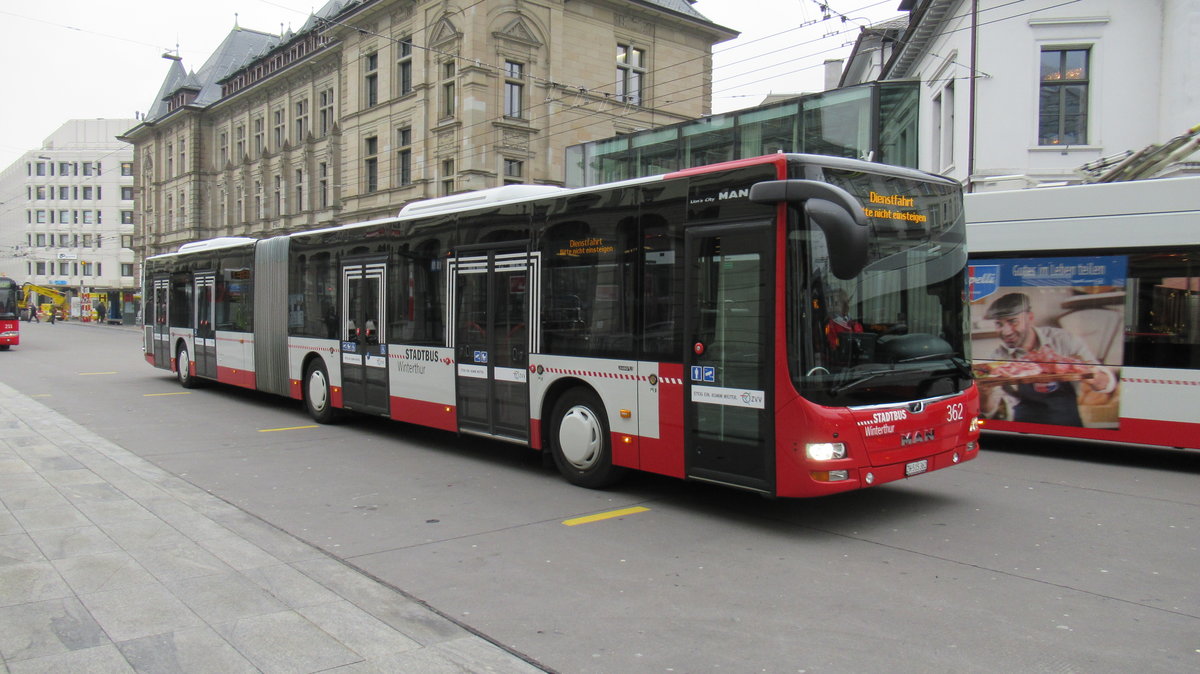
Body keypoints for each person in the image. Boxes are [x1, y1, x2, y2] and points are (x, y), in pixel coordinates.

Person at [980, 292, 1114, 426]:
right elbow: (989, 411)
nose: (1006, 332)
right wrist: (985, 393)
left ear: (1030, 317)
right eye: (999, 324)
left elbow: (1107, 384)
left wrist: (1091, 374)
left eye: (1013, 321)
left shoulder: (1063, 340)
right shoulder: (998, 358)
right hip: (1023, 430)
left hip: (1069, 428)